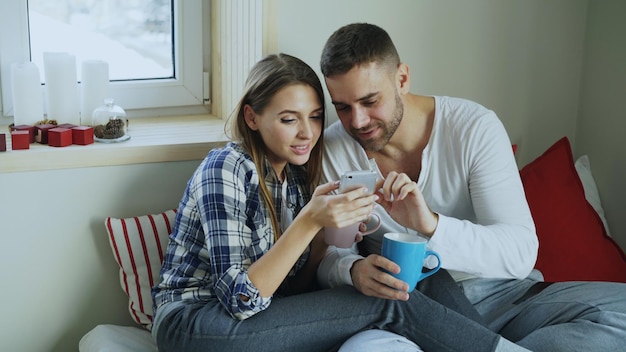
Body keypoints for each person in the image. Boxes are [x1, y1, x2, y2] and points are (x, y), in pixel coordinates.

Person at [150, 53, 516, 352]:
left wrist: (325, 239)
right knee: (385, 299)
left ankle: (495, 344)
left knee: (408, 277)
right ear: (252, 117)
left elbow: (293, 290)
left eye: (314, 117)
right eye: (289, 119)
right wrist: (308, 221)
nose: (307, 133)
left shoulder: (295, 177)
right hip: (194, 321)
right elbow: (240, 301)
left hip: (258, 316)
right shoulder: (225, 167)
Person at [317, 22, 626, 352]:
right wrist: (353, 269)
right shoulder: (333, 150)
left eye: (370, 101)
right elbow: (328, 254)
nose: (358, 121)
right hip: (409, 308)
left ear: (402, 79)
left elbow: (520, 253)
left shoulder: (473, 127)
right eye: (343, 107)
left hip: (506, 298)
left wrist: (431, 225)